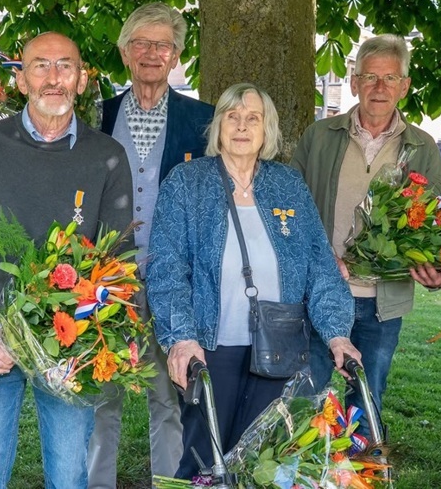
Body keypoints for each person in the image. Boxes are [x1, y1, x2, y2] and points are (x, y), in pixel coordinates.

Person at [0, 32, 134, 489]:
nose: (54, 77)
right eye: (40, 65)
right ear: (20, 80)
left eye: (66, 66)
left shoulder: (107, 156)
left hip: (71, 343)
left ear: (82, 80)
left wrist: (99, 331)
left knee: (68, 475)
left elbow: (117, 260)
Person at [147, 83, 360, 478]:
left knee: (265, 465)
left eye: (253, 118)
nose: (242, 126)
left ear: (267, 131)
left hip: (278, 349)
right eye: (232, 116)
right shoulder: (187, 183)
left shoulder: (288, 185)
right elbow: (166, 268)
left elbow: (318, 264)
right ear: (219, 127)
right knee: (203, 463)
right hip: (209, 349)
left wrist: (337, 334)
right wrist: (180, 337)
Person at [289, 33, 441, 436]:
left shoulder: (421, 147)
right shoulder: (319, 137)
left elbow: (432, 225)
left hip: (381, 303)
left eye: (390, 78)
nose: (379, 88)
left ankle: (358, 474)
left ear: (404, 86)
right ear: (354, 82)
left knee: (365, 402)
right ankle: (298, 474)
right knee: (302, 397)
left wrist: (440, 266)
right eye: (370, 77)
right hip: (319, 293)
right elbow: (289, 209)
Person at [89, 2, 214, 487]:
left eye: (162, 44)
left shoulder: (203, 120)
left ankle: (171, 483)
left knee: (170, 393)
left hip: (172, 279)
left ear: (177, 55)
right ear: (125, 52)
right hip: (105, 279)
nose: (151, 53)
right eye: (140, 43)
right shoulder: (97, 116)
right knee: (102, 393)